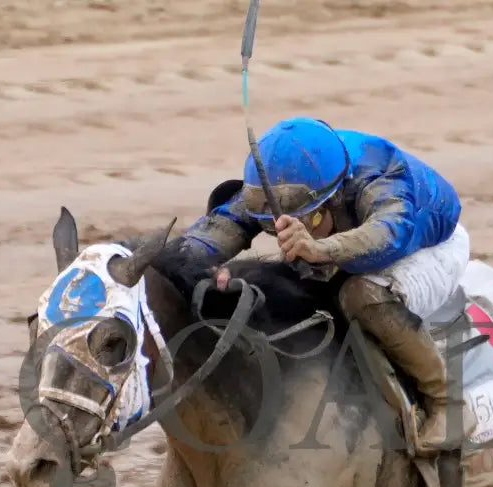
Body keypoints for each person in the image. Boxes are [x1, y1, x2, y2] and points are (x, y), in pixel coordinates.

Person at [168, 116, 475, 454]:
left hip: (426, 245)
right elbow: (217, 230)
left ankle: (448, 403)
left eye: (308, 219)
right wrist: (190, 265)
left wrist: (321, 249)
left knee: (362, 295)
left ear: (335, 198)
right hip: (349, 238)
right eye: (271, 226)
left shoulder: (381, 178)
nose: (284, 231)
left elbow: (390, 234)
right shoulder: (277, 184)